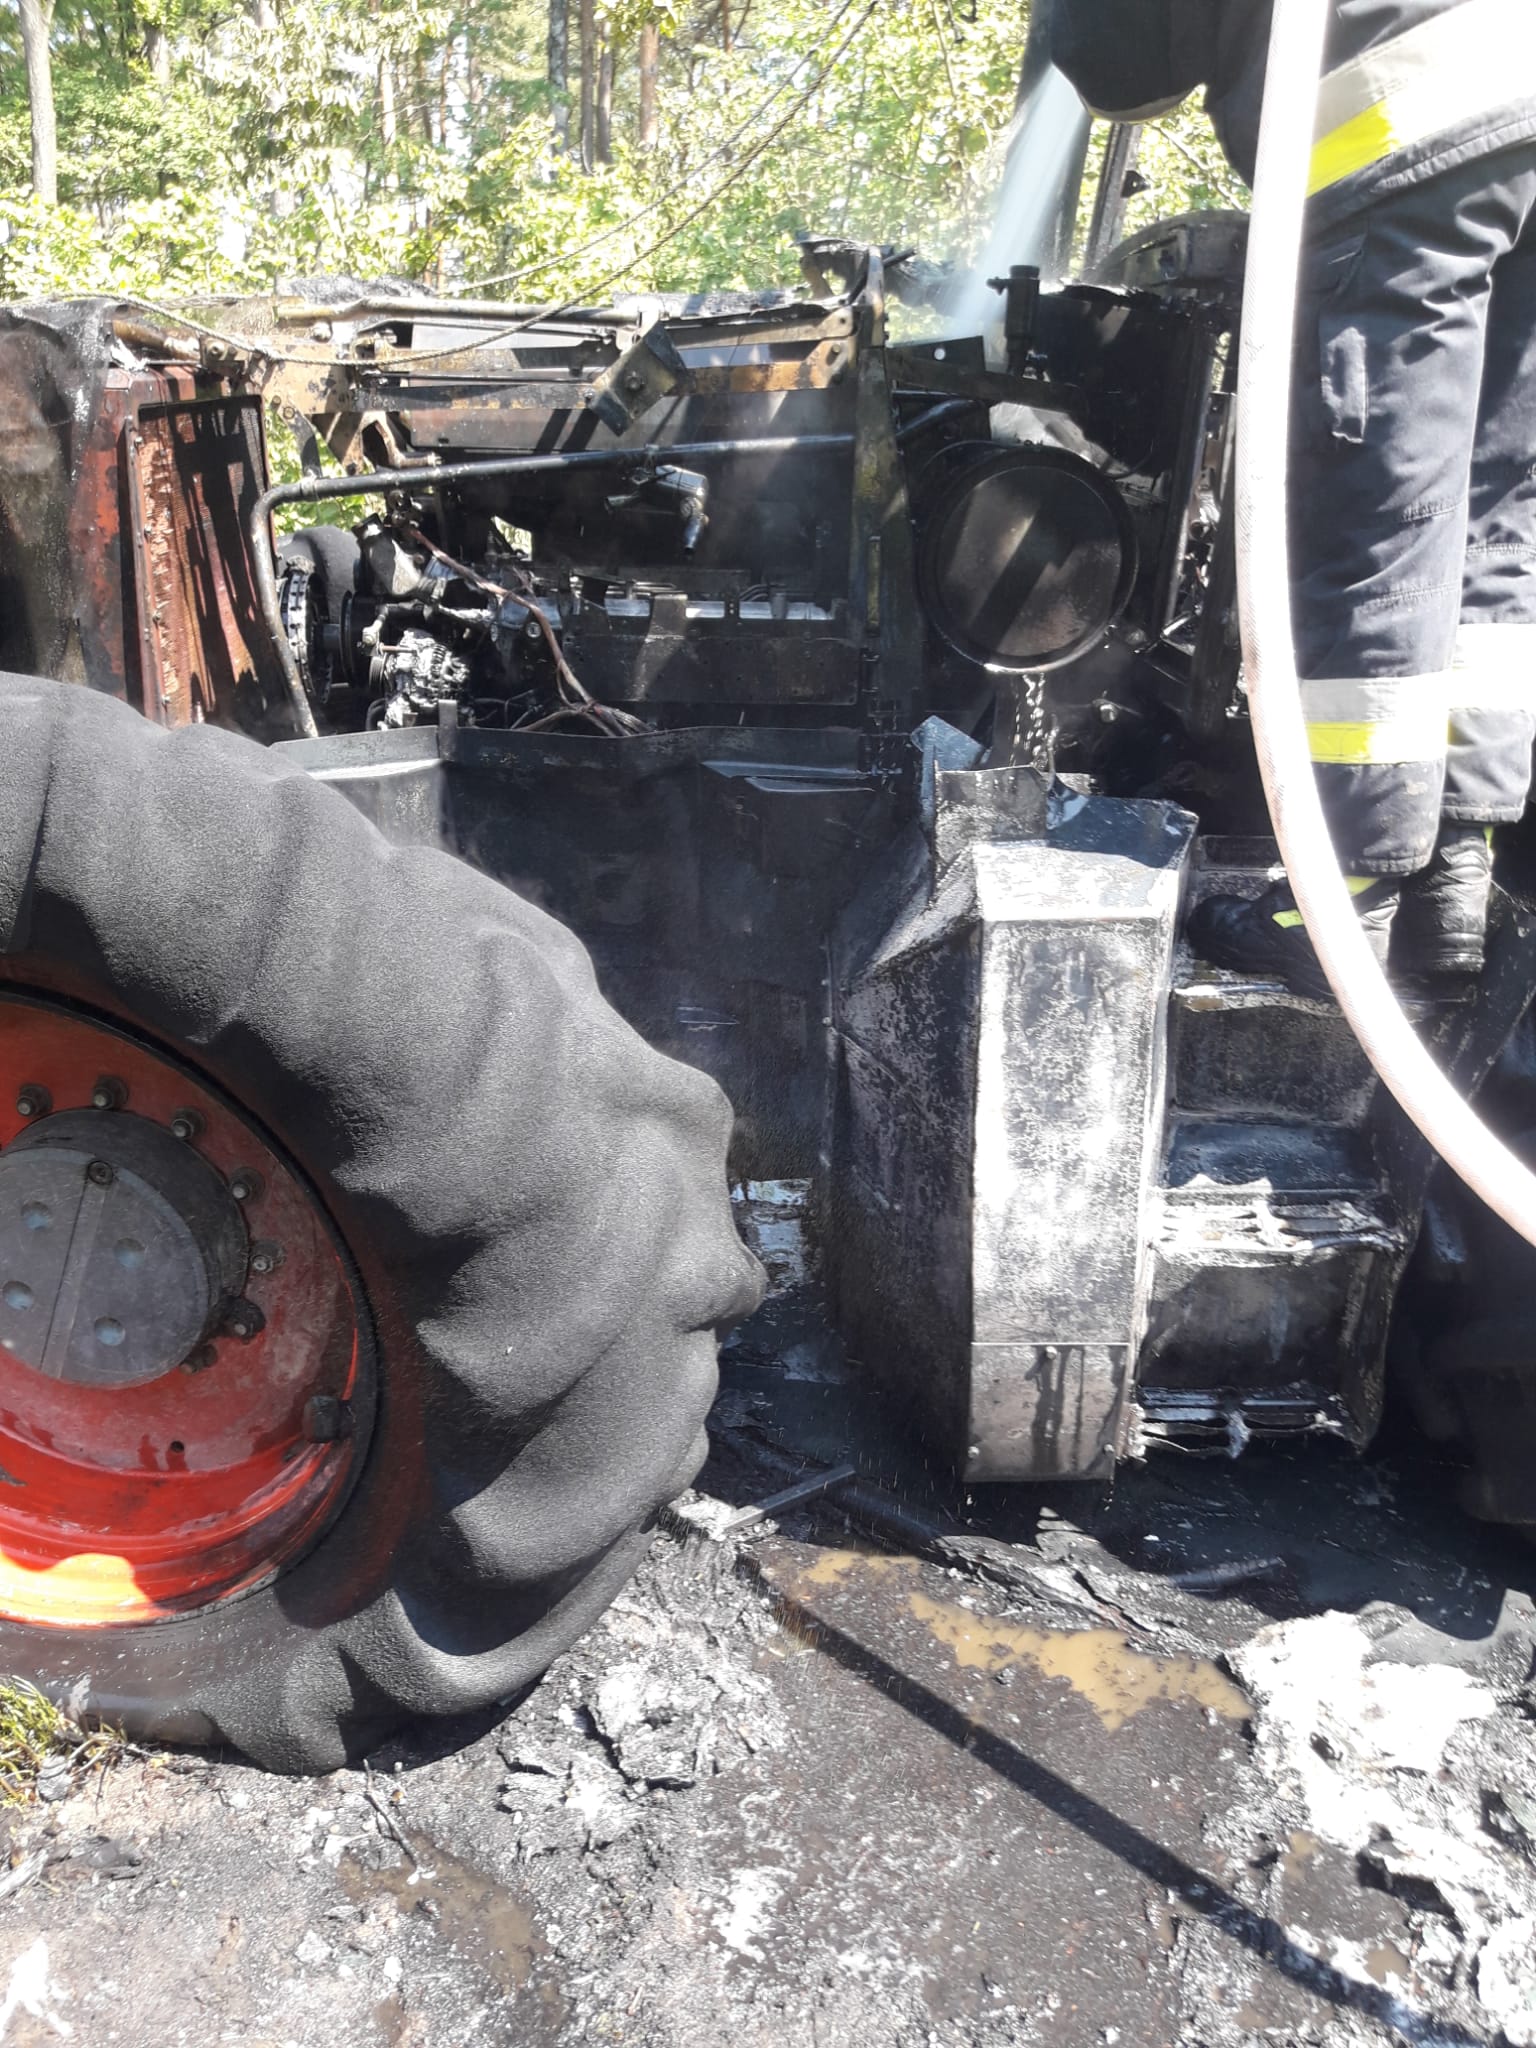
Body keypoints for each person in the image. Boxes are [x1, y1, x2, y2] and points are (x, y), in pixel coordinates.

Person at [1049, 0, 1536, 996]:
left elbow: (1116, 59)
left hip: (1412, 135)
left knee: (1380, 523)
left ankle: (1344, 898)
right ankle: (1452, 876)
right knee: (1487, 517)